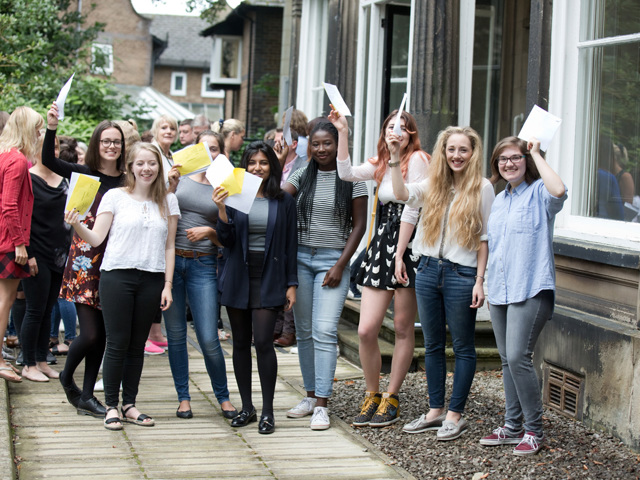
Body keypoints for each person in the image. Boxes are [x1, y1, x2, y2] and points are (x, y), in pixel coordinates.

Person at [65, 142, 179, 431]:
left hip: (152, 279)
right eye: (140, 163)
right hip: (117, 277)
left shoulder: (167, 201)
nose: (146, 169)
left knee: (136, 346)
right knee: (116, 343)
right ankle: (112, 406)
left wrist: (167, 285)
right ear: (131, 167)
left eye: (152, 163)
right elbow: (95, 239)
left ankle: (130, 404)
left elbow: (169, 247)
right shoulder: (114, 196)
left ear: (159, 167)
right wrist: (77, 223)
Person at [391, 125, 494, 440]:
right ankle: (435, 410)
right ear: (443, 152)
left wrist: (480, 281)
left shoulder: (483, 187)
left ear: (473, 153)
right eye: (451, 149)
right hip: (427, 271)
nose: (457, 155)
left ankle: (455, 414)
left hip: (462, 275)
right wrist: (395, 159)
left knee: (462, 346)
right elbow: (401, 195)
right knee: (432, 345)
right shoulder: (432, 183)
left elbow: (485, 239)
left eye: (463, 150)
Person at [332, 109, 428, 427]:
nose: (395, 131)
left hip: (409, 246)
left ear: (410, 133)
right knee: (365, 329)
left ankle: (392, 396)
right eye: (390, 126)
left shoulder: (417, 160)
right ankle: (371, 393)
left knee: (402, 327)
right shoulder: (380, 163)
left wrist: (401, 253)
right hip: (380, 245)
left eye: (402, 127)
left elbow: (412, 204)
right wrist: (343, 131)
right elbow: (345, 172)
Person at [479, 136, 567, 455]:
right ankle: (511, 424)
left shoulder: (540, 193)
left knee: (518, 357)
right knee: (506, 360)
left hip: (531, 287)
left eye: (515, 158)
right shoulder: (500, 200)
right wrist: (486, 285)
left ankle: (534, 430)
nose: (509, 164)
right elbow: (494, 247)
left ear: (526, 160)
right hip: (501, 290)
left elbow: (559, 190)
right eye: (503, 159)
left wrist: (536, 153)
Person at [283, 120, 367, 429]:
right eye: (315, 144)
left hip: (334, 260)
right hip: (301, 258)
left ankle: (322, 404)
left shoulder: (353, 177)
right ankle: (309, 396)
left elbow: (360, 225)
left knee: (324, 330)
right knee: (304, 331)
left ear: (338, 144)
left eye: (327, 143)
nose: (320, 149)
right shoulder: (303, 172)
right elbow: (279, 197)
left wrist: (341, 265)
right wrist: (281, 161)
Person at [43, 102, 125, 416]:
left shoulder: (127, 180)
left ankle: (88, 395)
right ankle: (67, 377)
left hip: (115, 259)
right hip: (84, 260)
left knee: (102, 334)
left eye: (116, 141)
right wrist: (52, 126)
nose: (111, 146)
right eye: (106, 141)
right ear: (96, 144)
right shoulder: (83, 173)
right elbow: (47, 159)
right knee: (89, 333)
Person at [212, 141, 297, 434]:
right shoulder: (236, 195)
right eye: (252, 162)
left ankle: (268, 411)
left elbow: (290, 245)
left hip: (270, 277)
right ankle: (247, 407)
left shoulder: (284, 199)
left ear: (271, 165)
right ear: (244, 166)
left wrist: (292, 283)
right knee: (239, 343)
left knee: (262, 342)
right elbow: (226, 239)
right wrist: (222, 208)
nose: (257, 168)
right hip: (238, 277)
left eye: (263, 162)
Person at [164, 130, 238, 420]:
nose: (209, 153)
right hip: (172, 264)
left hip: (204, 264)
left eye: (215, 148)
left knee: (209, 337)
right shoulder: (179, 178)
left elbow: (229, 239)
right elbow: (159, 212)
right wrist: (169, 187)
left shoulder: (227, 185)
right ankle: (183, 398)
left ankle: (223, 397)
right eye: (203, 148)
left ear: (222, 152)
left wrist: (212, 227)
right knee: (176, 335)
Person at [19, 130, 72, 382]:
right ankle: (28, 363)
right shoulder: (27, 178)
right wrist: (27, 255)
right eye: (47, 147)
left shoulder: (64, 179)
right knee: (35, 309)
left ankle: (42, 360)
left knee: (49, 309)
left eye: (55, 147)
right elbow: (20, 218)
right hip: (35, 254)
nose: (52, 151)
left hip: (60, 254)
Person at [0, 107, 44, 383]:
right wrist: (20, 245)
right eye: (38, 129)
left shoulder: (6, 156)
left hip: (5, 238)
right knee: (4, 302)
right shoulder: (16, 161)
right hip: (8, 241)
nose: (41, 134)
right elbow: (9, 206)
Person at [151, 114, 178, 181]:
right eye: (163, 128)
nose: (169, 131)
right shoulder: (150, 152)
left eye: (172, 128)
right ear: (155, 131)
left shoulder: (173, 155)